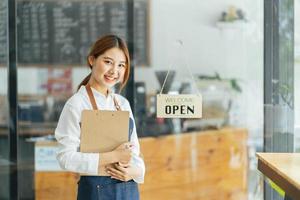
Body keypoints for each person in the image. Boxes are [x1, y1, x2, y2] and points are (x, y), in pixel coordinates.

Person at [55, 35, 145, 200]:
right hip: (95, 191)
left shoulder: (122, 104)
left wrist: (135, 172)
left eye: (121, 65)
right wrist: (113, 156)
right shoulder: (76, 104)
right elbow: (65, 157)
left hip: (129, 189)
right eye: (108, 62)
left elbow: (135, 154)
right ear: (92, 60)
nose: (114, 71)